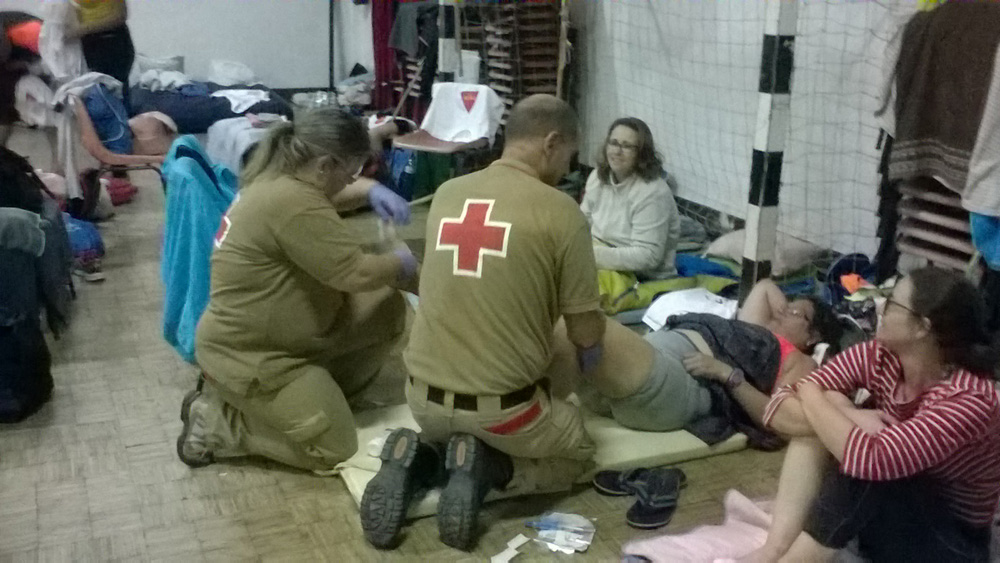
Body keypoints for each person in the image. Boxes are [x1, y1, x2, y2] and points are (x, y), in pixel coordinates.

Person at [360, 95, 605, 551]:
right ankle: (495, 470)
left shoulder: (448, 195)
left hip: (421, 400)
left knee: (467, 411)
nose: (566, 168)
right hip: (505, 414)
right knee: (580, 452)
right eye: (569, 156)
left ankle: (424, 460)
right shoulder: (561, 212)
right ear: (551, 142)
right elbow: (585, 332)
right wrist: (592, 349)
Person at [176, 107, 418, 474]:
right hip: (257, 356)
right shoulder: (292, 202)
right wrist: (402, 263)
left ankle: (319, 407)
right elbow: (355, 272)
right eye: (350, 173)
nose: (350, 181)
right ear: (324, 166)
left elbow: (325, 202)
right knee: (334, 448)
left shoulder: (279, 181)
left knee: (385, 307)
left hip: (283, 340)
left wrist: (370, 190)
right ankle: (219, 423)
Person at [744, 267, 1000, 562]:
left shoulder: (970, 398)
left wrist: (813, 392)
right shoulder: (879, 355)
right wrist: (845, 412)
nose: (879, 307)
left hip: (951, 541)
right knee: (828, 420)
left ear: (922, 327)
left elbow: (874, 460)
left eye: (891, 303)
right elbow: (777, 410)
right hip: (889, 521)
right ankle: (775, 549)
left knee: (866, 454)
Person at [581, 279, 841, 445]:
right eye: (787, 305)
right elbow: (765, 286)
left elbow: (783, 422)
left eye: (796, 312)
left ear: (813, 336)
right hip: (658, 358)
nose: (783, 310)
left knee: (578, 325)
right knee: (570, 338)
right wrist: (789, 311)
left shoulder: (801, 361)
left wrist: (729, 375)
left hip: (679, 378)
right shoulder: (756, 330)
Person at [582, 117, 680, 281]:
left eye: (627, 146)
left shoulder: (653, 192)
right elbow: (582, 222)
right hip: (600, 258)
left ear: (641, 153)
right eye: (613, 143)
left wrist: (589, 255)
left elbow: (648, 256)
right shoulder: (597, 177)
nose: (617, 151)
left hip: (643, 277)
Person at [67, 0, 135, 105]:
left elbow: (120, 16)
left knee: (116, 94)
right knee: (97, 95)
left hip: (113, 42)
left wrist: (82, 30)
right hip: (90, 45)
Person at [0, 11, 42, 146]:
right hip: (28, 45)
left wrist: (22, 64)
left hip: (35, 45)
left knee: (5, 105)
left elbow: (4, 51)